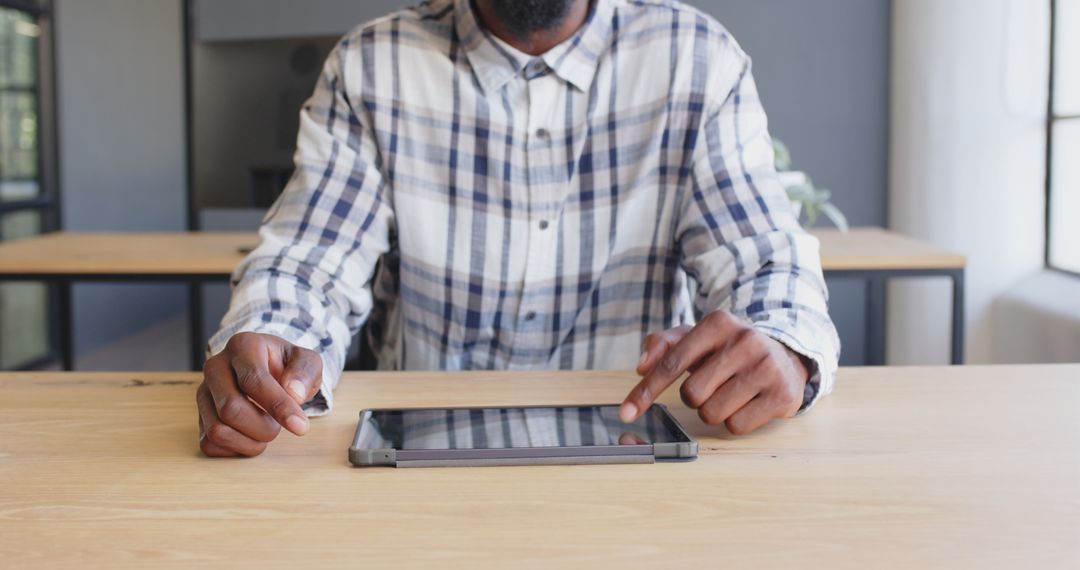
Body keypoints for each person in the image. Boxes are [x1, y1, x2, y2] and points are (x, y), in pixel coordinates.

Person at [195, 0, 841, 458]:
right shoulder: (373, 67)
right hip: (417, 481)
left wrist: (783, 347)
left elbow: (768, 267)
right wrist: (272, 344)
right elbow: (308, 264)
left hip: (636, 473)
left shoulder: (699, 64)